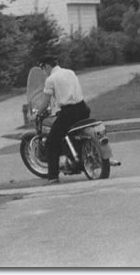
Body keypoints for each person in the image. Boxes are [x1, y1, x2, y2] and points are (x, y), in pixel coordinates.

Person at [37, 56, 91, 184]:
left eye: (43, 68)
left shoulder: (51, 79)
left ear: (47, 66)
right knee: (74, 134)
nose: (44, 71)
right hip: (83, 109)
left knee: (51, 142)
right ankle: (77, 159)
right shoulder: (70, 72)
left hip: (69, 113)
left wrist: (37, 114)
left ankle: (53, 177)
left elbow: (45, 102)